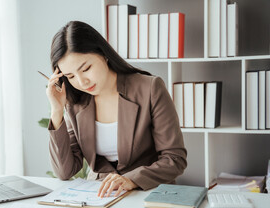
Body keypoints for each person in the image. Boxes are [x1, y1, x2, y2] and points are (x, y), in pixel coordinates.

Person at [46, 21, 187, 198]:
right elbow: (64, 171)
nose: (82, 82)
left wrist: (131, 180)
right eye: (71, 76)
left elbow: (174, 159)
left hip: (147, 193)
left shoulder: (149, 88)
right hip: (98, 196)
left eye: (86, 68)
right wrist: (57, 111)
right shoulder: (75, 103)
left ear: (103, 54)